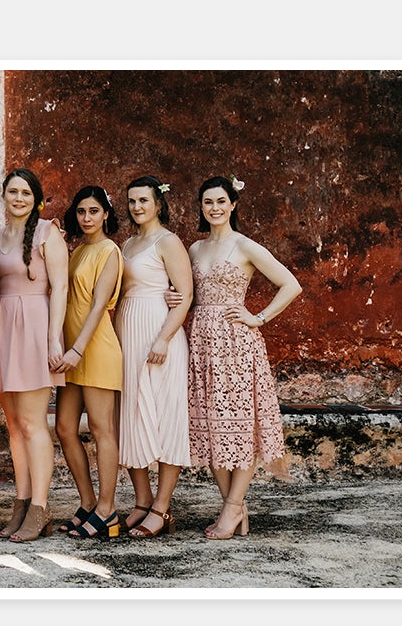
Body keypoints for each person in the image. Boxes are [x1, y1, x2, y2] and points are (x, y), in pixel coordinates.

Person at [185, 175, 302, 539]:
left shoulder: (245, 246)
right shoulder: (194, 249)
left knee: (240, 425)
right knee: (210, 427)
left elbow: (291, 284)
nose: (215, 208)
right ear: (201, 207)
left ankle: (232, 509)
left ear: (233, 205)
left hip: (237, 343)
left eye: (221, 201)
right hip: (201, 342)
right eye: (208, 202)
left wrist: (259, 317)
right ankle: (233, 507)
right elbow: (186, 292)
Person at [0, 168, 68, 542]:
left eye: (25, 192)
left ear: (35, 198)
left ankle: (40, 506)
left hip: (35, 327)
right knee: (14, 425)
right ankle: (20, 503)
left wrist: (54, 339)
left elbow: (61, 287)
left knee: (34, 423)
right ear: (3, 196)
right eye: (12, 192)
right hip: (1, 329)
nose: (18, 198)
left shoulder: (48, 233)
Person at [112, 175, 193, 540]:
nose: (137, 207)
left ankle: (162, 507)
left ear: (158, 203)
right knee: (132, 416)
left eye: (143, 200)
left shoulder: (168, 241)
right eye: (131, 201)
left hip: (160, 336)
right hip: (128, 332)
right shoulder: (128, 243)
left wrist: (163, 338)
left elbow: (185, 295)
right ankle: (141, 502)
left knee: (165, 416)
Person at [51, 186, 125, 539]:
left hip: (95, 349)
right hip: (71, 353)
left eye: (94, 211)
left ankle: (108, 511)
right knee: (65, 428)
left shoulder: (109, 251)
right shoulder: (78, 250)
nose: (87, 218)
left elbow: (98, 306)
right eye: (81, 211)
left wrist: (77, 349)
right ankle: (88, 502)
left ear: (106, 214)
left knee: (101, 430)